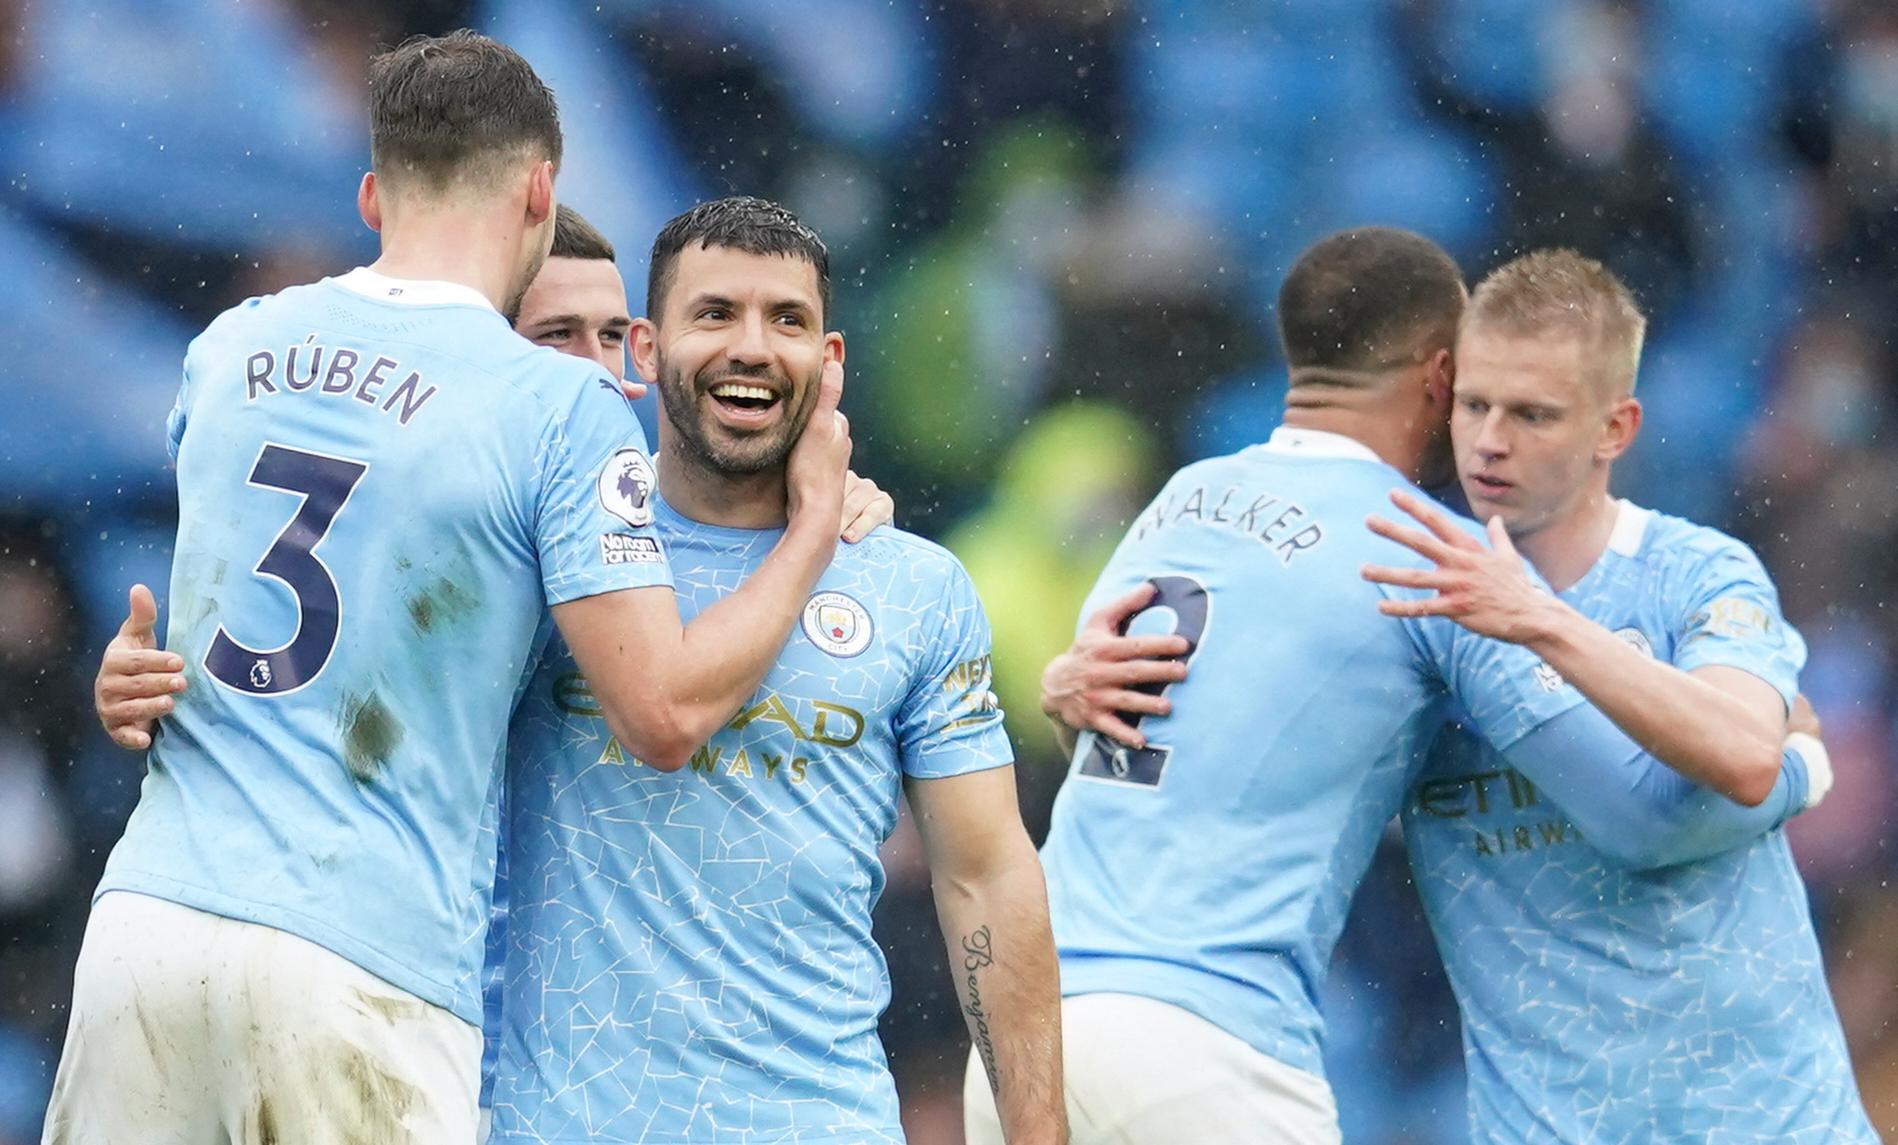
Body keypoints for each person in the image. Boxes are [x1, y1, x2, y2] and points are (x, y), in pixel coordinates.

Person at [97, 199, 1067, 1145]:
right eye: (714, 313)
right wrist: (144, 675)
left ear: (831, 358)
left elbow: (985, 876)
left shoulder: (916, 587)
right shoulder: (527, 563)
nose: (752, 347)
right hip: (534, 1116)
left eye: (788, 320)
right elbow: (309, 660)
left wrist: (1039, 1129)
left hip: (820, 1116)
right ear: (646, 352)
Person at [49, 33, 849, 1144]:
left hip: (150, 923)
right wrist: (812, 521)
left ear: (374, 193)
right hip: (360, 956)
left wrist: (130, 677)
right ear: (540, 189)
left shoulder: (232, 349)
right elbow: (663, 711)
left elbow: (261, 592)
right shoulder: (551, 407)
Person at [976, 227, 1824, 1145]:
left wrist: (1064, 694)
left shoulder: (1180, 501)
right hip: (1207, 1047)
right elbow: (1649, 815)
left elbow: (1141, 736)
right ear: (1439, 378)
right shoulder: (1430, 557)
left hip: (1029, 1030)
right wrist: (1800, 766)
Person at [1368, 249, 1874, 1143]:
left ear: (1615, 427)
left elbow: (1744, 755)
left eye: (1532, 414)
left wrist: (1539, 621)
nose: (1489, 440)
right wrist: (1089, 686)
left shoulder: (1699, 573)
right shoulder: (1409, 605)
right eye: (1476, 404)